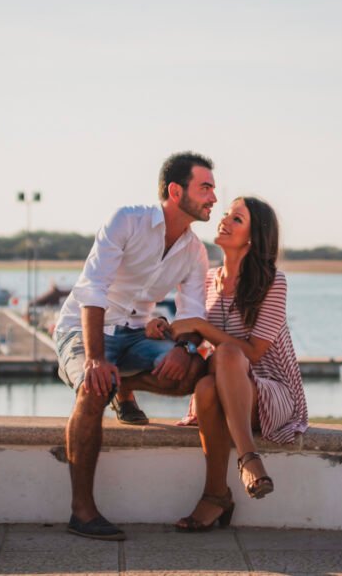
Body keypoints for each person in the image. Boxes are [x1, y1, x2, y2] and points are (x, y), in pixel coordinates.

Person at [52, 151, 216, 541]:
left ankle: (122, 385)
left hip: (137, 334)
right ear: (175, 191)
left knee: (193, 372)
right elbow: (93, 289)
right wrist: (95, 359)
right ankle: (82, 511)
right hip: (84, 330)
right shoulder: (127, 220)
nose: (213, 198)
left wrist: (184, 350)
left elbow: (192, 315)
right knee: (94, 387)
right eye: (205, 188)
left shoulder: (195, 251)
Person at [165, 196, 308, 532]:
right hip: (221, 385)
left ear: (253, 238)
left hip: (270, 391)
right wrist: (167, 328)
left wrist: (200, 326)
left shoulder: (273, 281)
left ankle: (246, 456)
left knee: (229, 353)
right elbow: (192, 334)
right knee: (205, 386)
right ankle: (217, 494)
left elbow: (254, 352)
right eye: (227, 214)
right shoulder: (205, 279)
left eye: (237, 219)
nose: (225, 220)